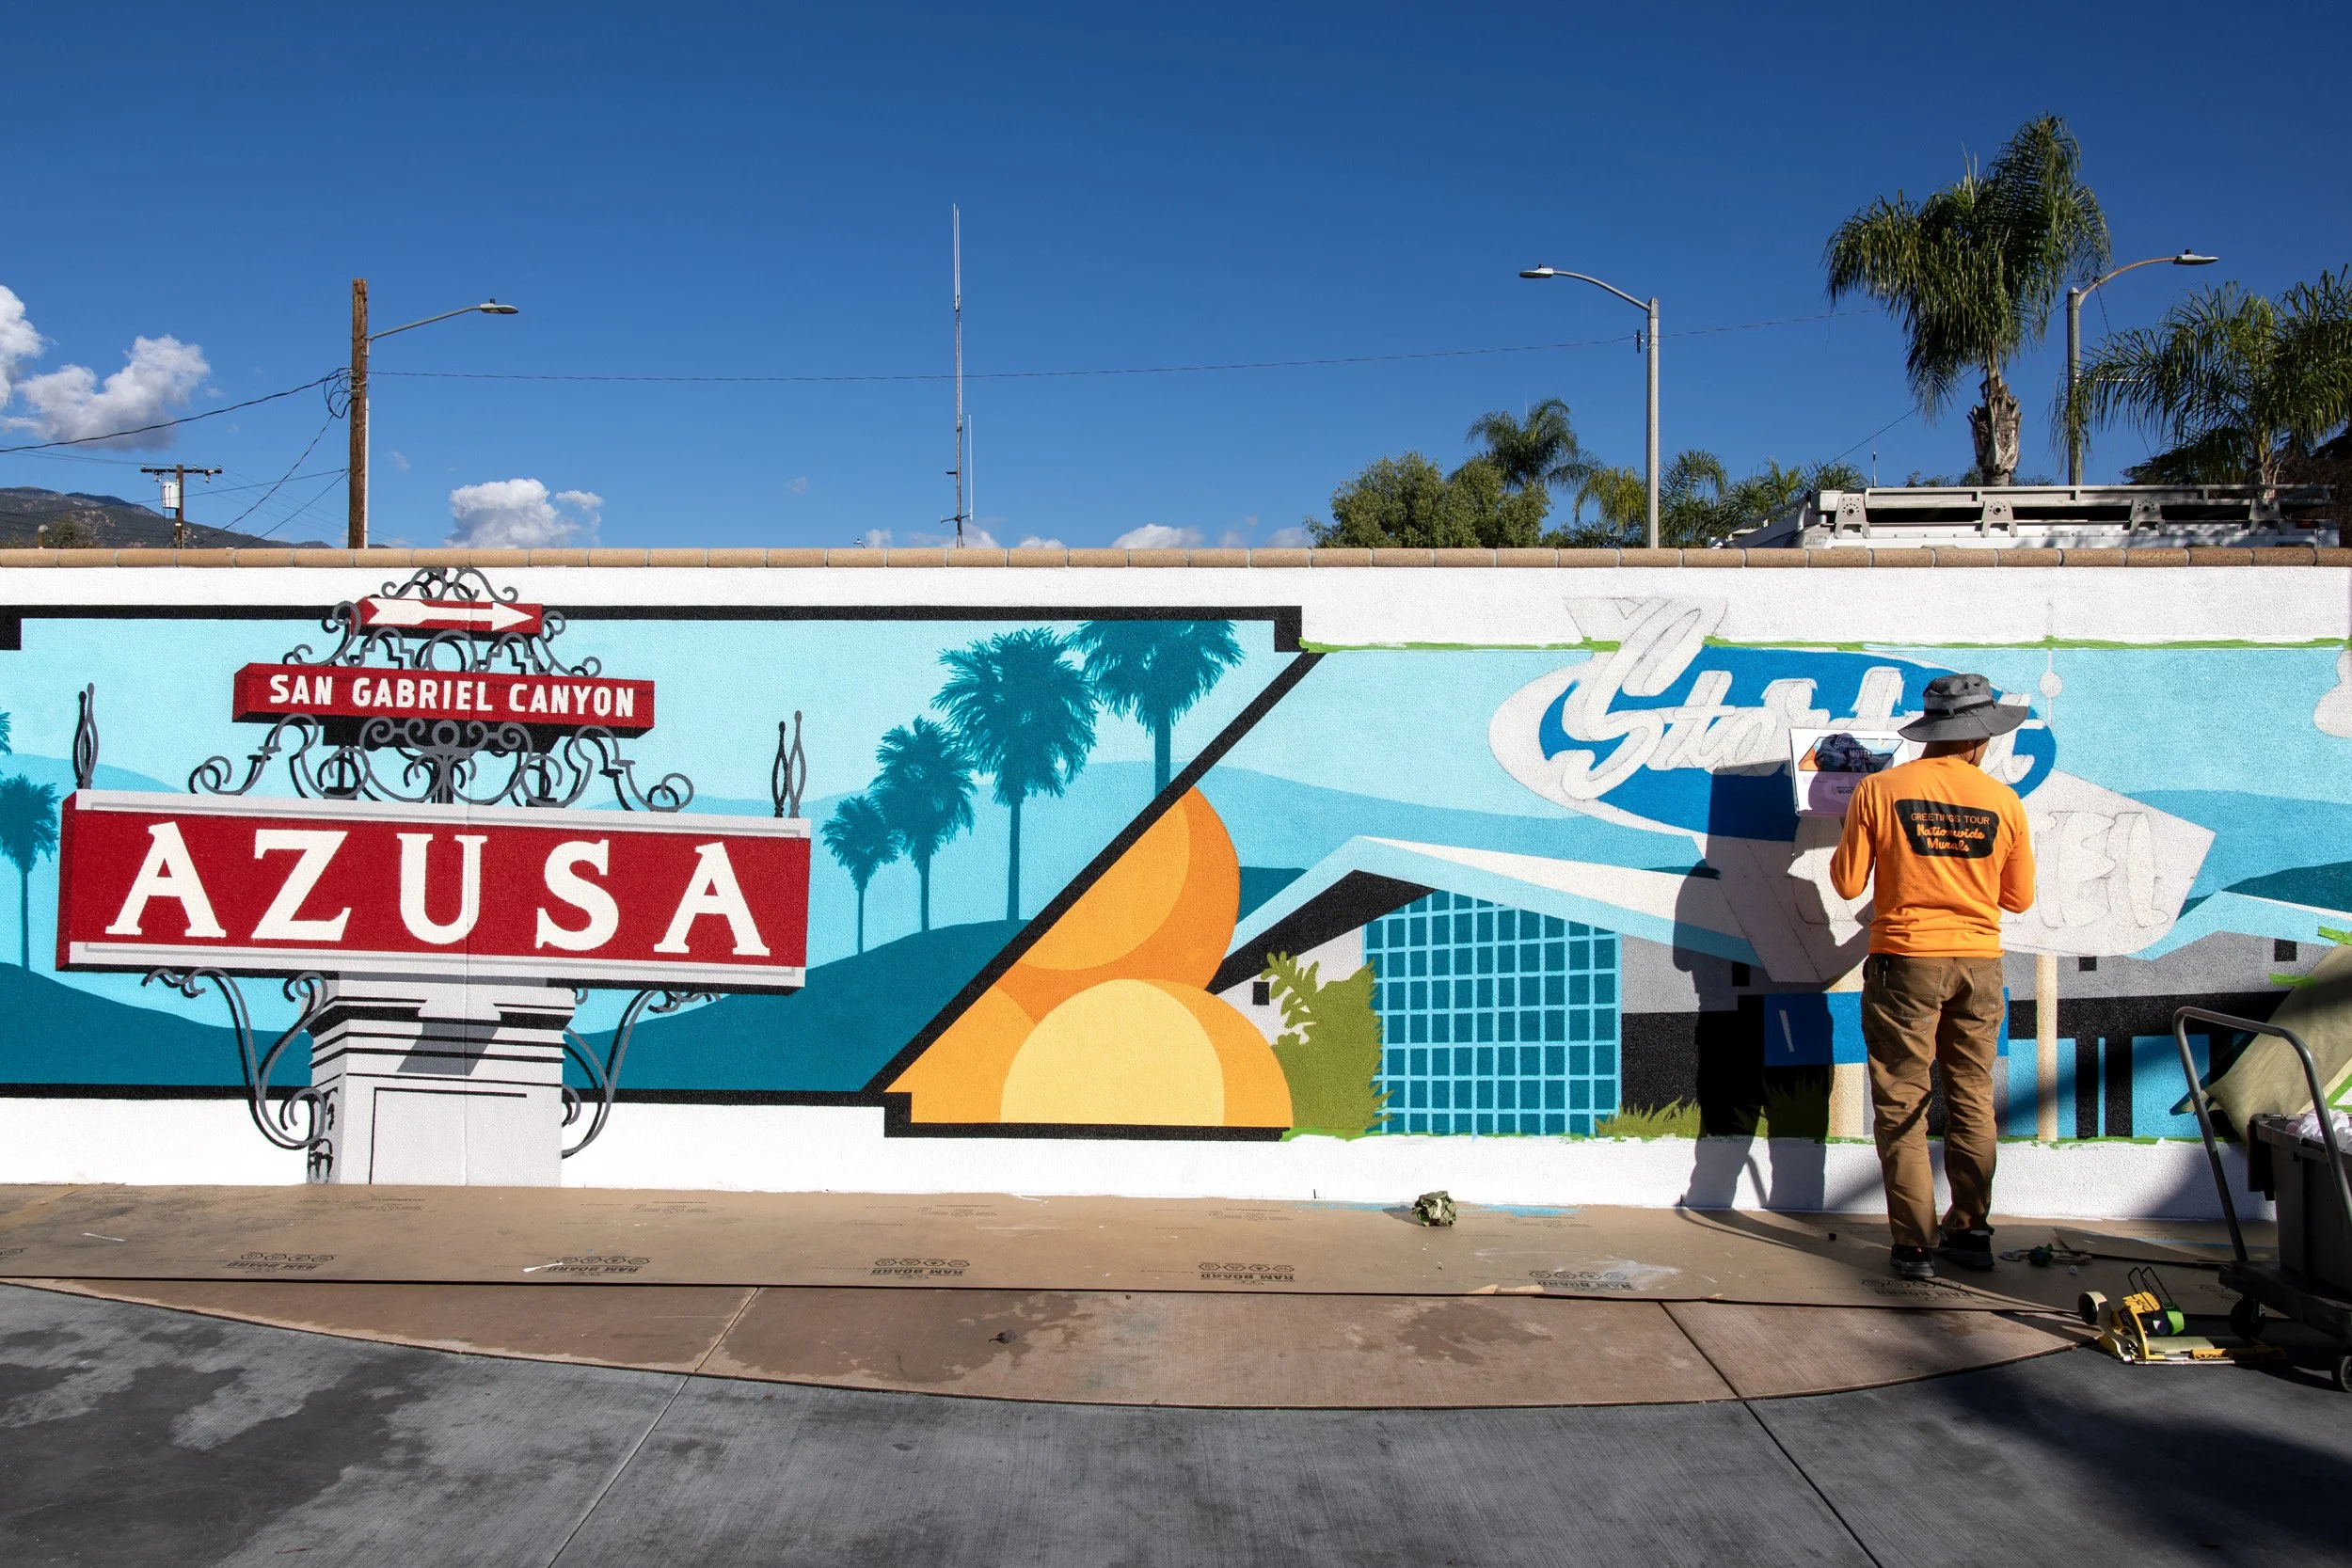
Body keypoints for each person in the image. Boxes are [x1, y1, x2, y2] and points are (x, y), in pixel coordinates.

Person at [1828, 673, 2036, 1281]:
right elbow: (2018, 898)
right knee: (1971, 1097)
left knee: (1901, 1103)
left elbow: (1847, 884)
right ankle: (1970, 1230)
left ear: (1931, 733)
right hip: (1979, 965)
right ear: (1979, 737)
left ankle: (1914, 1245)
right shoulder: (2004, 802)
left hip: (1905, 964)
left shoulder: (1879, 790)